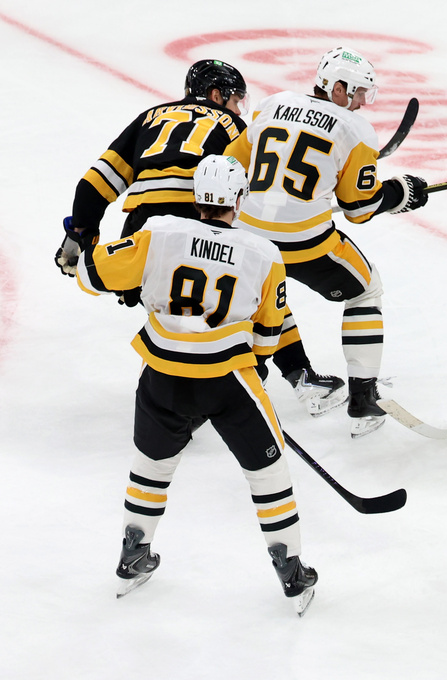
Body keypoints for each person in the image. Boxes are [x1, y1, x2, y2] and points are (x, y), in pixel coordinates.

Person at [73, 155, 317, 615]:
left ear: (196, 197)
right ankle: (291, 568)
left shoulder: (159, 233)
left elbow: (91, 274)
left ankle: (133, 553)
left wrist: (87, 251)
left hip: (161, 377)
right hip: (228, 381)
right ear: (239, 199)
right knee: (268, 473)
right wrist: (257, 366)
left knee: (151, 466)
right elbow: (268, 333)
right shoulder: (264, 254)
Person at [55, 58, 345, 418]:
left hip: (145, 230)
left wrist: (80, 235)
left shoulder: (151, 117)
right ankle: (299, 378)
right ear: (214, 94)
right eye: (237, 99)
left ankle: (171, 398)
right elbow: (261, 184)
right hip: (201, 213)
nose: (240, 107)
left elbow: (93, 184)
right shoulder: (235, 125)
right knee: (256, 291)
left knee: (174, 305)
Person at [225, 45, 429, 437]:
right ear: (336, 88)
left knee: (267, 294)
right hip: (306, 242)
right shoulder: (354, 130)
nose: (360, 104)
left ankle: (295, 380)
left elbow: (231, 163)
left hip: (246, 234)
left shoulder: (272, 104)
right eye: (356, 94)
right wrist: (399, 192)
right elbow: (359, 209)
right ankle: (363, 398)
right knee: (366, 291)